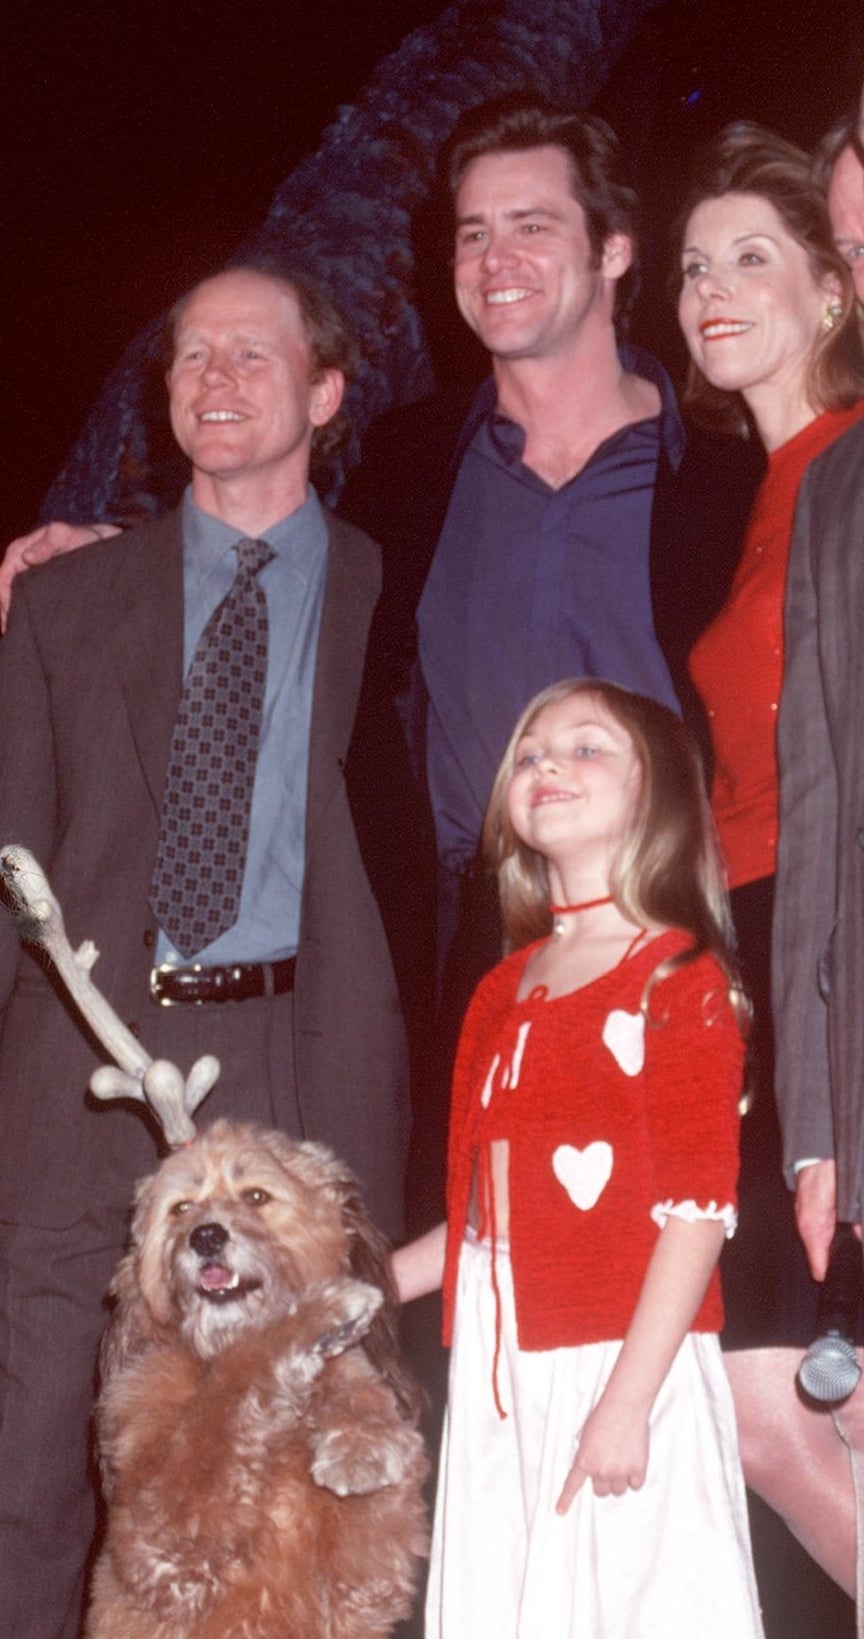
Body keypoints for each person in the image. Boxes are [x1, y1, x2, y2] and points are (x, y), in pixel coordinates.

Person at [0, 262, 411, 1639]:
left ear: (327, 392)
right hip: (79, 1073)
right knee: (34, 1456)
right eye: (190, 356)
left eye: (252, 353)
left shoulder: (381, 583)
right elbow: (11, 858)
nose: (215, 378)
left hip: (300, 1067)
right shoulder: (65, 599)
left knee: (308, 1454)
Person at [393, 677, 763, 1638]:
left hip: (620, 1352)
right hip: (501, 1363)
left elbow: (696, 1211)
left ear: (658, 797)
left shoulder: (679, 979)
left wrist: (625, 1401)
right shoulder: (500, 990)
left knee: (634, 1599)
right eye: (526, 753)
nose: (546, 762)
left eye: (585, 746)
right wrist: (358, 1283)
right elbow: (482, 1215)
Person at [676, 122, 864, 1607]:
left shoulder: (851, 466)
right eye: (692, 266)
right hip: (747, 946)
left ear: (833, 290)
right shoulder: (749, 494)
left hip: (831, 935)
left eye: (756, 258)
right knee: (771, 1398)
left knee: (796, 1384)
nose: (713, 289)